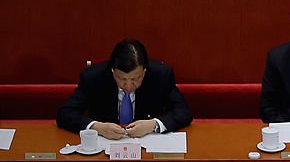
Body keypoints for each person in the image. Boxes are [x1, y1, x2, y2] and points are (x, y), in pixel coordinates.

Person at [57, 39, 192, 138]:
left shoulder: (161, 75)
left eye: (135, 79)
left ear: (145, 70)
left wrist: (153, 124)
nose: (128, 86)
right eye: (121, 79)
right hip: (104, 148)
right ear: (112, 71)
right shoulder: (93, 77)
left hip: (147, 146)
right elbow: (65, 114)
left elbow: (183, 112)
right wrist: (97, 127)